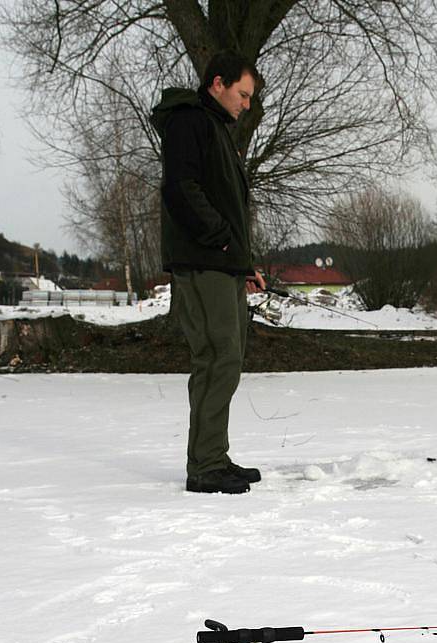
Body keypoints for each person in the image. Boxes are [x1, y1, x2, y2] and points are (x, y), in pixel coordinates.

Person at [151, 51, 266, 494]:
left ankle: (213, 456)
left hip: (222, 263)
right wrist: (219, 239)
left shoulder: (215, 127)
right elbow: (181, 189)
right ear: (217, 83)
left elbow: (228, 208)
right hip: (204, 261)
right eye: (243, 94)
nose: (246, 105)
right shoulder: (189, 122)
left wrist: (243, 263)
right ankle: (205, 466)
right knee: (218, 359)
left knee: (224, 360)